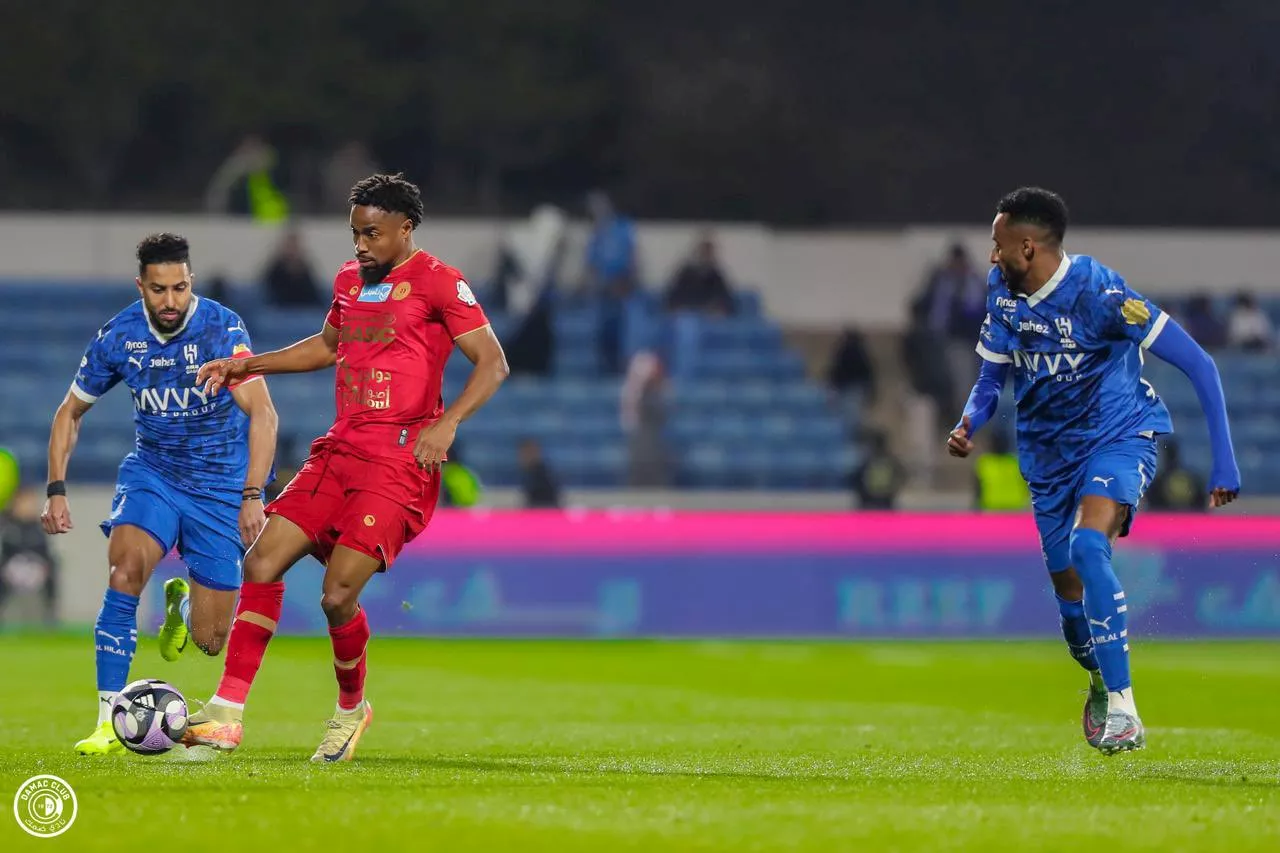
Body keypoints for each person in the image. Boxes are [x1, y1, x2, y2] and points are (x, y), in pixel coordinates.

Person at [185, 173, 509, 762]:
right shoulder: (348, 281)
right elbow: (327, 347)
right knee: (261, 559)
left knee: (337, 595)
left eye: (373, 234)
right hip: (339, 450)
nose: (361, 245)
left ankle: (350, 708)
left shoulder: (440, 282)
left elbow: (492, 362)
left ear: (405, 229)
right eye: (356, 233)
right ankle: (227, 712)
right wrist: (248, 364)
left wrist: (449, 421)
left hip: (398, 462)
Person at [947, 188, 1239, 755]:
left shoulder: (1103, 294)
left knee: (1088, 548)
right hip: (1047, 457)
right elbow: (991, 377)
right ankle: (1101, 679)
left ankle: (1126, 712)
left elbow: (1199, 363)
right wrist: (968, 422)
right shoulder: (1003, 295)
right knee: (1070, 600)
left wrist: (1223, 461)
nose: (990, 256)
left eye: (997, 245)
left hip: (1117, 436)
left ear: (1027, 247)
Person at [43, 233, 278, 756]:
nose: (170, 301)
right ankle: (107, 719)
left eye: (179, 287)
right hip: (153, 473)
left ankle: (182, 604)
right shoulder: (119, 336)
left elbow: (263, 412)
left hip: (218, 488)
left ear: (190, 281)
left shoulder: (221, 327)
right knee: (124, 569)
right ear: (140, 286)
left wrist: (252, 495)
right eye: (158, 290)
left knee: (211, 640)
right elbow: (70, 412)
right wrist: (56, 489)